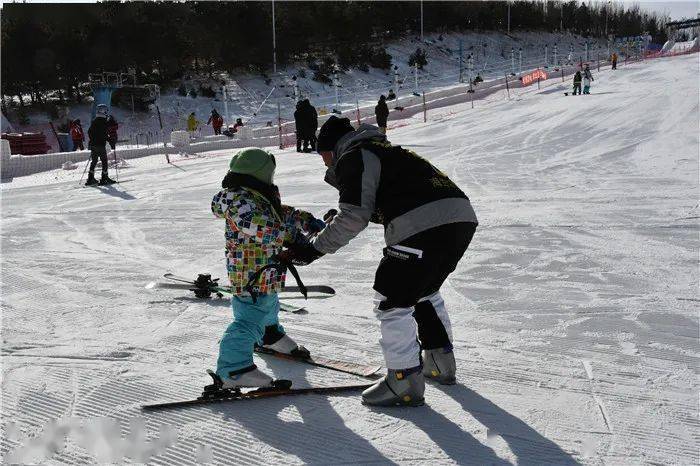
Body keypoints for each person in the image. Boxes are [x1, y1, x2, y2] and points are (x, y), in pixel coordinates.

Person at [282, 117, 478, 406]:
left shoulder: (354, 155)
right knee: (422, 290)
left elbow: (354, 217)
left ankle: (404, 381)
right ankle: (439, 363)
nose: (323, 162)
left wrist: (313, 249)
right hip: (460, 219)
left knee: (392, 296)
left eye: (322, 154)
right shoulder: (385, 151)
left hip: (424, 225)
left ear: (332, 148)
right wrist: (335, 223)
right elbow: (383, 203)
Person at [210, 148, 327, 388]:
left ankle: (270, 335)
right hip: (249, 271)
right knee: (249, 317)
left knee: (269, 303)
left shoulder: (256, 194)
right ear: (260, 173)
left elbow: (278, 214)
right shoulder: (239, 201)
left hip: (266, 267)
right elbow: (261, 228)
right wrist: (293, 237)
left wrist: (303, 219)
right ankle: (234, 369)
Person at [86, 105, 115, 186]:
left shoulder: (94, 121)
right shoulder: (103, 121)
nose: (106, 113)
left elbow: (89, 132)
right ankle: (104, 178)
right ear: (103, 111)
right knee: (104, 161)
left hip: (93, 145)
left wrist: (93, 139)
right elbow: (104, 134)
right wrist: (110, 140)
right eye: (106, 111)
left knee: (94, 161)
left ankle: (90, 178)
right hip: (100, 145)